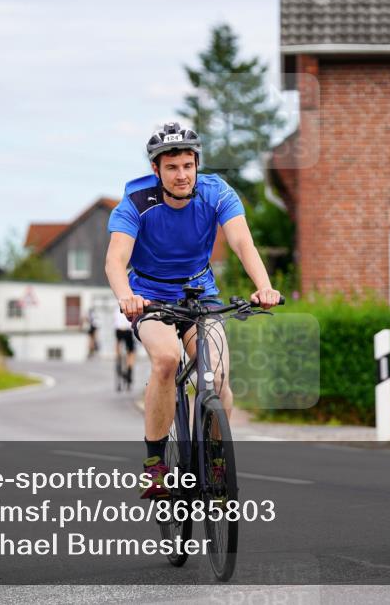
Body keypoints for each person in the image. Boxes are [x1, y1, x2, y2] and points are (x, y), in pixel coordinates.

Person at [105, 122, 281, 498]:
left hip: (200, 292)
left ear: (196, 164)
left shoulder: (217, 193)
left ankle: (216, 459)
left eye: (188, 165)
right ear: (157, 170)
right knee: (166, 361)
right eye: (172, 167)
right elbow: (115, 260)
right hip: (149, 295)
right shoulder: (136, 201)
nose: (182, 174)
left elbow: (242, 242)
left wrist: (263, 287)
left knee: (216, 376)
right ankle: (155, 465)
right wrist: (126, 296)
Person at [113, 303, 135, 388]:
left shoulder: (117, 307)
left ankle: (118, 359)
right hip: (128, 331)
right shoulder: (131, 306)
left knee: (117, 345)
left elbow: (115, 322)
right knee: (131, 352)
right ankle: (129, 371)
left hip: (118, 330)